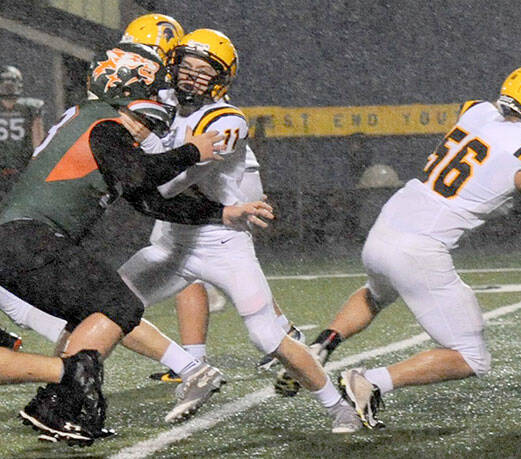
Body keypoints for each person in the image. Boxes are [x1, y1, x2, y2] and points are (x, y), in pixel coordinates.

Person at [283, 65, 521, 430]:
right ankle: (370, 382)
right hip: (420, 247)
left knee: (375, 294)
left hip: (390, 222)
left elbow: (502, 159)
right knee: (471, 357)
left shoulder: (479, 113)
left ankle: (323, 344)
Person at [0, 41, 268, 441]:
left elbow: (149, 201)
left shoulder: (91, 122)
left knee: (95, 312)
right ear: (129, 93)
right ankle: (65, 395)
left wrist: (222, 214)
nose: (148, 129)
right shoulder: (103, 124)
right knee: (120, 303)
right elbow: (143, 174)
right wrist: (192, 150)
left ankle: (61, 397)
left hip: (21, 240)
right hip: (31, 238)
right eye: (147, 116)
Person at [116, 29, 363, 434]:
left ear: (221, 79)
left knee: (267, 335)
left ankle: (339, 409)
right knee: (108, 308)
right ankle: (190, 370)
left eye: (203, 70)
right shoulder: (161, 104)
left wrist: (129, 166)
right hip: (173, 238)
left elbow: (167, 184)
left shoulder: (224, 120)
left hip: (220, 241)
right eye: (186, 67)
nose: (191, 77)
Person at [0, 65, 45, 193]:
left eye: (11, 83)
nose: (8, 87)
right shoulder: (30, 107)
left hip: (21, 168)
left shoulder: (30, 108)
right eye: (5, 83)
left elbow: (38, 142)